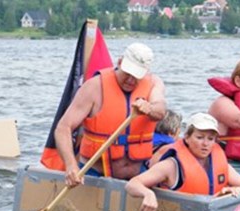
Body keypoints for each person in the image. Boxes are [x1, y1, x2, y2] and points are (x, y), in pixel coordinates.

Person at [55, 42, 167, 187]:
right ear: (120, 62)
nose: (130, 80)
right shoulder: (94, 87)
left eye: (136, 76)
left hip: (137, 178)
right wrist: (70, 165)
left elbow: (161, 110)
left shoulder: (154, 84)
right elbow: (63, 128)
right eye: (127, 73)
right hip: (95, 173)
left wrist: (149, 108)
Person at [126, 113, 240, 211]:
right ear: (187, 138)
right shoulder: (171, 166)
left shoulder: (220, 164)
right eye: (199, 137)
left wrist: (234, 190)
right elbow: (132, 184)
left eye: (210, 139)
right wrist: (148, 194)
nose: (205, 144)